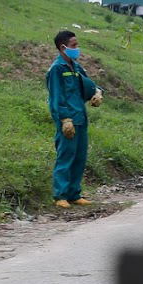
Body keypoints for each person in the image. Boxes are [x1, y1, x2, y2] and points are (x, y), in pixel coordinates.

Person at [46, 30, 102, 208]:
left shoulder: (76, 68)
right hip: (68, 122)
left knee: (79, 157)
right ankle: (60, 195)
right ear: (63, 47)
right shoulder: (56, 69)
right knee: (65, 157)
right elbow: (55, 98)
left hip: (81, 119)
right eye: (74, 45)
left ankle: (74, 193)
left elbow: (89, 85)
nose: (77, 49)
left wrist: (98, 93)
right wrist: (64, 119)